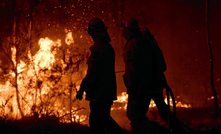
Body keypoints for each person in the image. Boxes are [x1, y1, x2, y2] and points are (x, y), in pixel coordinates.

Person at [120, 18, 185, 134]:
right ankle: (178, 131)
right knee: (163, 112)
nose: (122, 32)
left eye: (123, 29)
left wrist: (131, 86)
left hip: (140, 87)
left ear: (129, 30)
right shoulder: (146, 42)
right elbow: (159, 65)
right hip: (154, 84)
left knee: (134, 115)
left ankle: (160, 132)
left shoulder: (132, 44)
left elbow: (132, 69)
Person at [76, 17, 127, 134]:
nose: (90, 35)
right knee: (104, 120)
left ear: (94, 32)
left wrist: (82, 89)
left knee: (96, 125)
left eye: (90, 32)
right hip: (106, 92)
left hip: (99, 94)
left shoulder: (98, 49)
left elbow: (93, 73)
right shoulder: (107, 47)